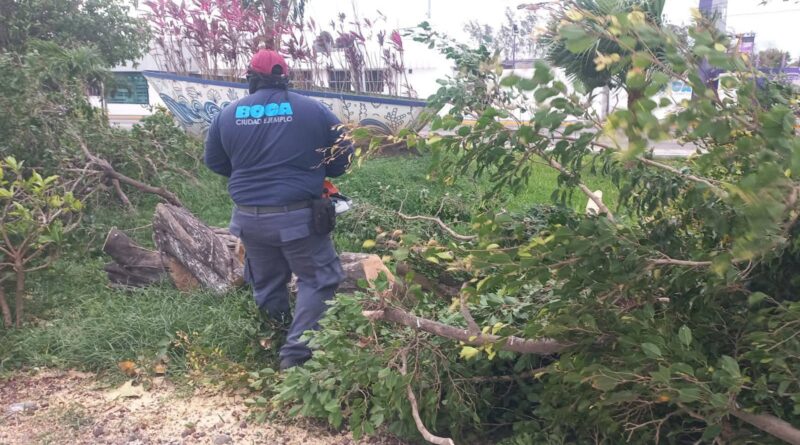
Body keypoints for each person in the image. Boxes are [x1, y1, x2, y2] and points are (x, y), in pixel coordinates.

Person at [204, 49, 353, 371]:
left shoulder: (227, 114)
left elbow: (216, 162)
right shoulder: (313, 110)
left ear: (250, 79)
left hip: (249, 219)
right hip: (299, 217)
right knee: (319, 279)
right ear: (286, 78)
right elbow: (344, 157)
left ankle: (272, 341)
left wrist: (254, 174)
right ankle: (296, 358)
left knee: (268, 283)